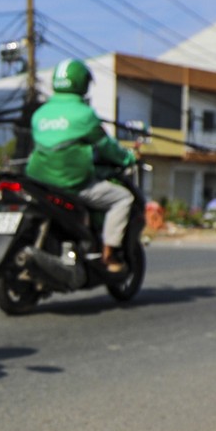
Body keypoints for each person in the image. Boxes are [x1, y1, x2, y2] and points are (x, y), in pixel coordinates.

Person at [26, 58, 139, 272]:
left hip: (39, 183)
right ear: (81, 83)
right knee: (123, 198)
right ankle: (108, 254)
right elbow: (108, 148)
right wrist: (128, 158)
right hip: (72, 184)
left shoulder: (39, 114)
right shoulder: (85, 115)